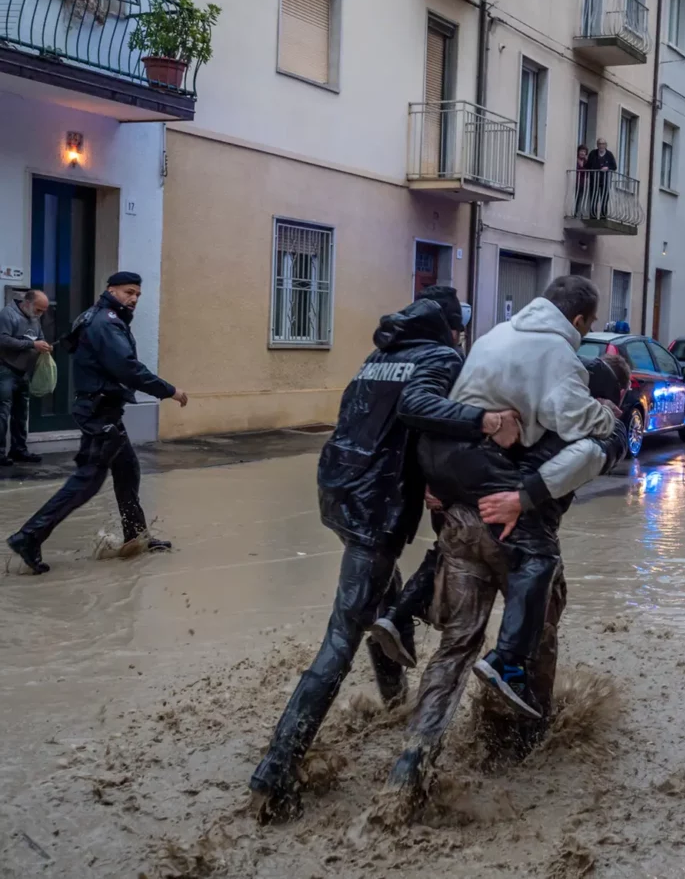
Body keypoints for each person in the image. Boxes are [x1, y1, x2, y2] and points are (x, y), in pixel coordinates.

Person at [248, 286, 520, 822]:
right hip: (377, 506)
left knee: (377, 596)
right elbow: (419, 409)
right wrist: (484, 422)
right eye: (460, 323)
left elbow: (377, 420)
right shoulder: (439, 356)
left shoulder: (383, 354)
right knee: (341, 636)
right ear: (449, 325)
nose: (463, 333)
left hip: (340, 491)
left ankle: (393, 701)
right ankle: (276, 768)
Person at [383, 356, 630, 798]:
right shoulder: (590, 425)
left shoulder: (515, 399)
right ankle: (521, 743)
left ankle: (414, 758)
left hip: (464, 526)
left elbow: (454, 431)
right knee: (536, 640)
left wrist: (438, 485)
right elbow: (595, 453)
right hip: (525, 539)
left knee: (455, 647)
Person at [6, 273, 187, 574]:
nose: (134, 299)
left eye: (138, 295)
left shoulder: (96, 315)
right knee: (88, 480)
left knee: (128, 470)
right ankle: (29, 536)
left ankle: (136, 536)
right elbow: (127, 367)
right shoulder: (106, 322)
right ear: (111, 290)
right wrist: (169, 391)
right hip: (99, 411)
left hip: (104, 409)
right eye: (129, 292)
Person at [0, 289, 52, 466]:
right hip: (5, 369)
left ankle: (19, 449)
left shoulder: (34, 318)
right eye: (38, 310)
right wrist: (32, 344)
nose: (40, 314)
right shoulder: (8, 315)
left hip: (23, 371)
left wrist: (44, 346)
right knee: (2, 412)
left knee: (21, 413)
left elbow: (40, 337)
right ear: (27, 303)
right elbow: (3, 340)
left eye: (43, 311)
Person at [585, 138, 619, 219]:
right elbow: (588, 166)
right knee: (593, 198)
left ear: (606, 145)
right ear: (597, 145)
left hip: (605, 181)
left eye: (603, 144)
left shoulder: (609, 154)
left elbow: (614, 167)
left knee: (604, 199)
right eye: (599, 144)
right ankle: (592, 217)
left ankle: (603, 217)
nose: (601, 146)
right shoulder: (593, 153)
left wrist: (607, 168)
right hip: (594, 181)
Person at [573, 144, 589, 218]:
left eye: (584, 151)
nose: (582, 153)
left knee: (580, 198)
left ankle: (579, 213)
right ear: (578, 152)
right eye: (581, 151)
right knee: (575, 197)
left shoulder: (586, 162)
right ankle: (574, 212)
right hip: (575, 182)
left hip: (583, 183)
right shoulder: (574, 160)